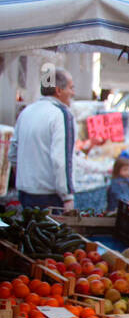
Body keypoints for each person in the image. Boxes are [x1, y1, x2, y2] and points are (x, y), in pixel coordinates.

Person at [8, 68, 77, 211]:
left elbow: (13, 153)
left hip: (25, 193)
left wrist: (26, 178)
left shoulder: (26, 112)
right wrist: (68, 196)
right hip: (50, 196)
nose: (73, 93)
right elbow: (61, 159)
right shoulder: (61, 115)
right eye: (71, 88)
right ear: (58, 90)